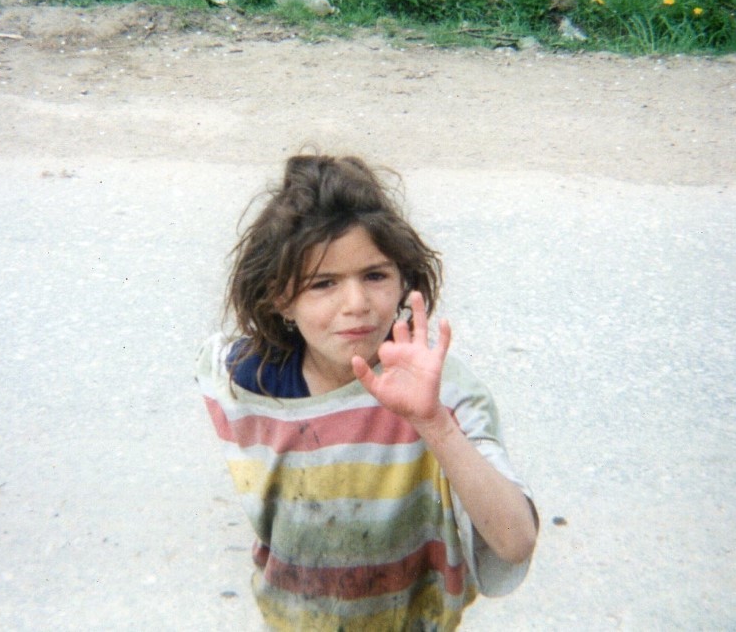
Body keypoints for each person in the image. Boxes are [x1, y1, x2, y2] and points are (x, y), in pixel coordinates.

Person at [196, 154, 538, 631]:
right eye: (323, 283)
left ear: (403, 281)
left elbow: (514, 541)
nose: (356, 304)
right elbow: (215, 365)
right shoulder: (249, 382)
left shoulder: (441, 393)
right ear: (280, 298)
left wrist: (434, 425)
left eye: (375, 275)